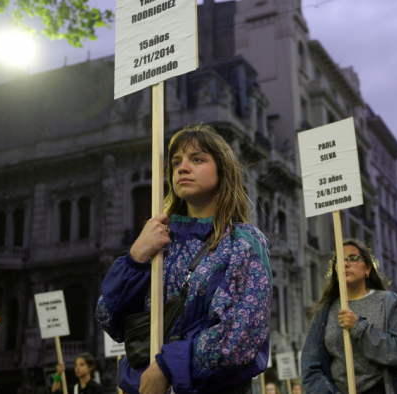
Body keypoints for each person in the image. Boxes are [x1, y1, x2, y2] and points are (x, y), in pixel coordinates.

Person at [96, 124, 272, 394]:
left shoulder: (244, 242)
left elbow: (238, 338)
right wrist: (136, 257)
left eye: (197, 159)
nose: (182, 167)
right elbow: (108, 318)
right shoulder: (159, 240)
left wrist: (168, 366)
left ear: (223, 170)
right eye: (176, 162)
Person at [301, 239, 397, 394]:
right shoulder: (325, 311)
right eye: (339, 260)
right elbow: (310, 367)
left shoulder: (389, 302)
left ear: (368, 268)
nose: (345, 264)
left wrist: (359, 328)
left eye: (352, 258)